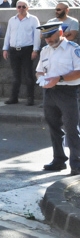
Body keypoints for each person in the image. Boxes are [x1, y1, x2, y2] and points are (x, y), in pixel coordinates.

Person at [35, 23, 80, 176]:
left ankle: (77, 163)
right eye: (45, 36)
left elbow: (79, 72)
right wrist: (42, 79)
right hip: (49, 92)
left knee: (71, 128)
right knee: (54, 127)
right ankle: (59, 160)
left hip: (68, 92)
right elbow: (39, 71)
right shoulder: (45, 51)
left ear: (60, 32)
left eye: (50, 35)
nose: (47, 39)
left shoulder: (73, 49)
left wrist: (59, 78)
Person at [3, 0, 40, 105]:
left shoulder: (33, 20)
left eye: (23, 7)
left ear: (27, 8)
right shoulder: (12, 20)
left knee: (28, 75)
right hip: (14, 50)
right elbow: (8, 35)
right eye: (19, 7)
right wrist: (5, 49)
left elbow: (37, 35)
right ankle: (14, 98)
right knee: (15, 75)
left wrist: (35, 50)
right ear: (16, 8)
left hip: (27, 50)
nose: (21, 9)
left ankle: (30, 98)